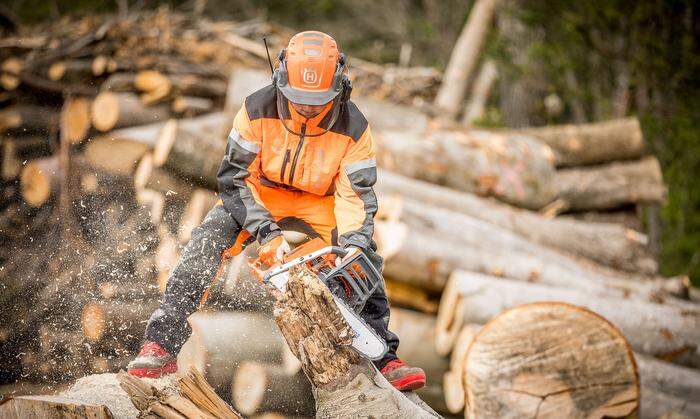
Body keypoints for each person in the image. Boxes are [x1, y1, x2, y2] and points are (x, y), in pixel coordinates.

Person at [127, 31, 426, 391]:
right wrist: (268, 234)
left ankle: (384, 356)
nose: (308, 108)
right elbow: (235, 179)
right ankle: (160, 343)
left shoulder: (354, 127)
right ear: (280, 79)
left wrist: (353, 244)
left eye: (318, 102)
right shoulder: (256, 109)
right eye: (299, 99)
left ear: (340, 85)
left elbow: (355, 197)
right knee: (205, 242)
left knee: (364, 259)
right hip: (260, 192)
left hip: (322, 200)